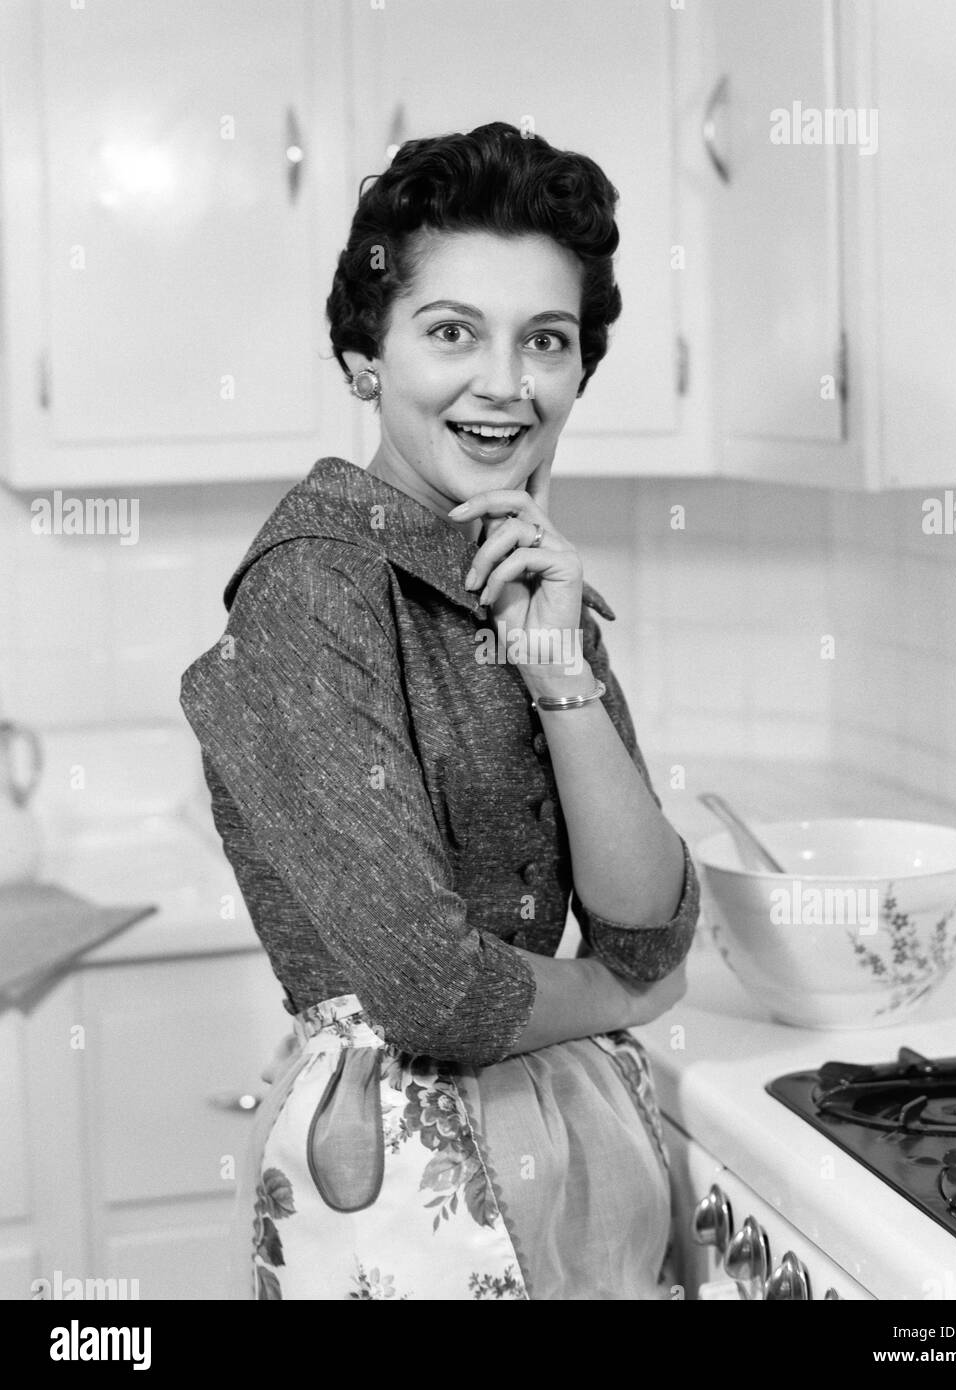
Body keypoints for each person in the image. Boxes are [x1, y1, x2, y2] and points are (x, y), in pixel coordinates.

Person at [179, 121, 700, 1301]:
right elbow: (437, 989)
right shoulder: (312, 588)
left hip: (574, 1145)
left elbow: (646, 926)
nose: (505, 385)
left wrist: (556, 663)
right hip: (403, 1187)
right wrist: (621, 1000)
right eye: (452, 331)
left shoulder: (520, 565)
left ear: (579, 370)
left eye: (546, 341)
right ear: (368, 355)